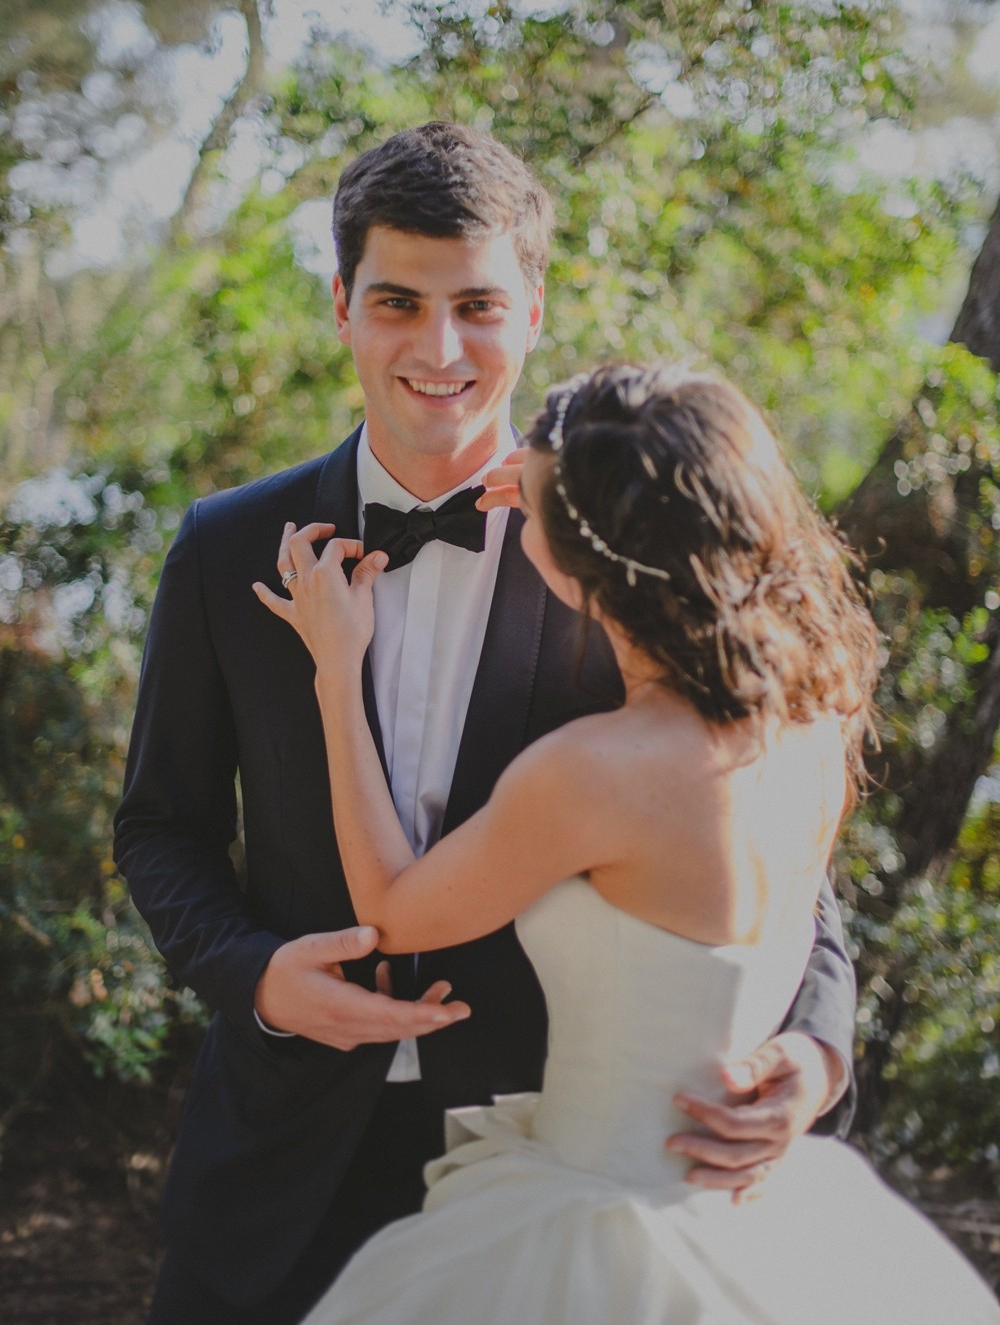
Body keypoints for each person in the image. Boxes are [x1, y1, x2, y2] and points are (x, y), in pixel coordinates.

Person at [115, 124, 856, 1325]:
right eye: (399, 301)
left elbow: (780, 844)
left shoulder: (623, 559)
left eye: (479, 305)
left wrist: (813, 1053)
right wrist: (253, 975)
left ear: (535, 308)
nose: (440, 348)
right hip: (277, 1161)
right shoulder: (222, 549)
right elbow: (160, 826)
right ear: (343, 302)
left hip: (555, 1171)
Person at [257, 362, 1000, 1325]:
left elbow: (395, 914)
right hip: (753, 1213)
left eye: (537, 516)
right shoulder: (820, 717)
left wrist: (335, 670)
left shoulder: (595, 772)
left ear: (577, 561)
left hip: (591, 1226)